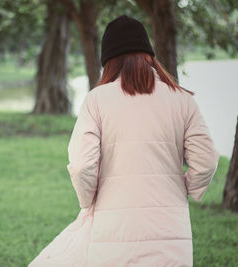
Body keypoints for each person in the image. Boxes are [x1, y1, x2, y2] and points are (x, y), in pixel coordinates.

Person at [28, 15, 219, 266]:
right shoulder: (182, 99)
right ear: (149, 54)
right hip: (170, 229)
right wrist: (186, 189)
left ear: (108, 62)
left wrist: (88, 201)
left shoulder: (96, 100)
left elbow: (82, 165)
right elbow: (206, 161)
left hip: (113, 230)